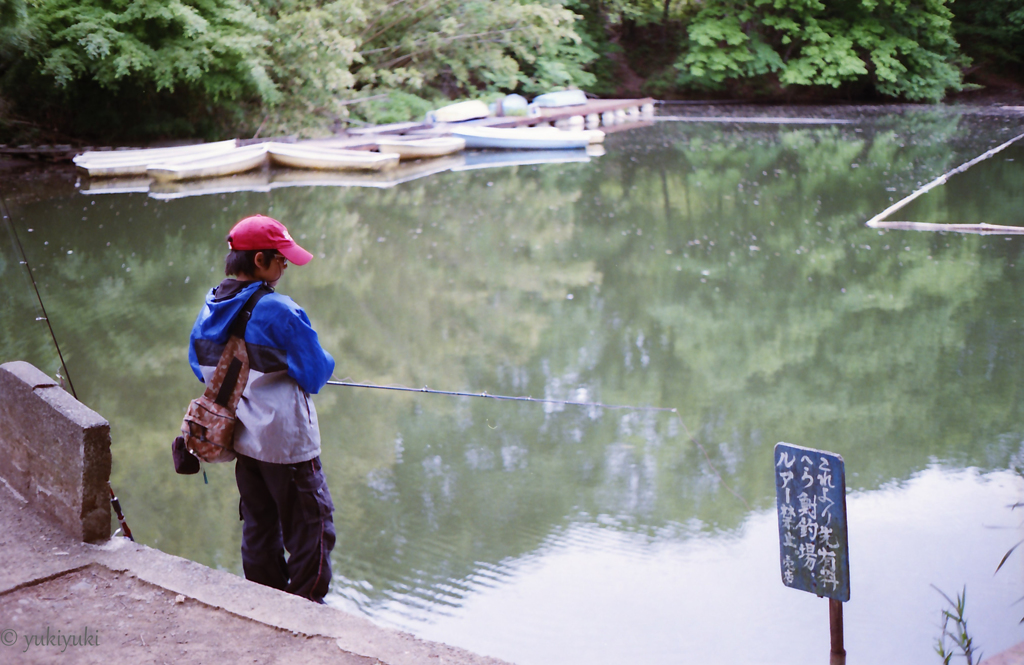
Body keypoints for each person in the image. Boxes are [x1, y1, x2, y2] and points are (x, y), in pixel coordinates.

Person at [188, 214, 336, 602]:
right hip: (286, 445)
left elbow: (199, 367)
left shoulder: (209, 307)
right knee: (312, 527)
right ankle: (306, 609)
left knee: (259, 524)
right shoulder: (281, 312)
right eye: (281, 258)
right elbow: (316, 374)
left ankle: (267, 605)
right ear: (258, 261)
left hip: (243, 440)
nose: (286, 265)